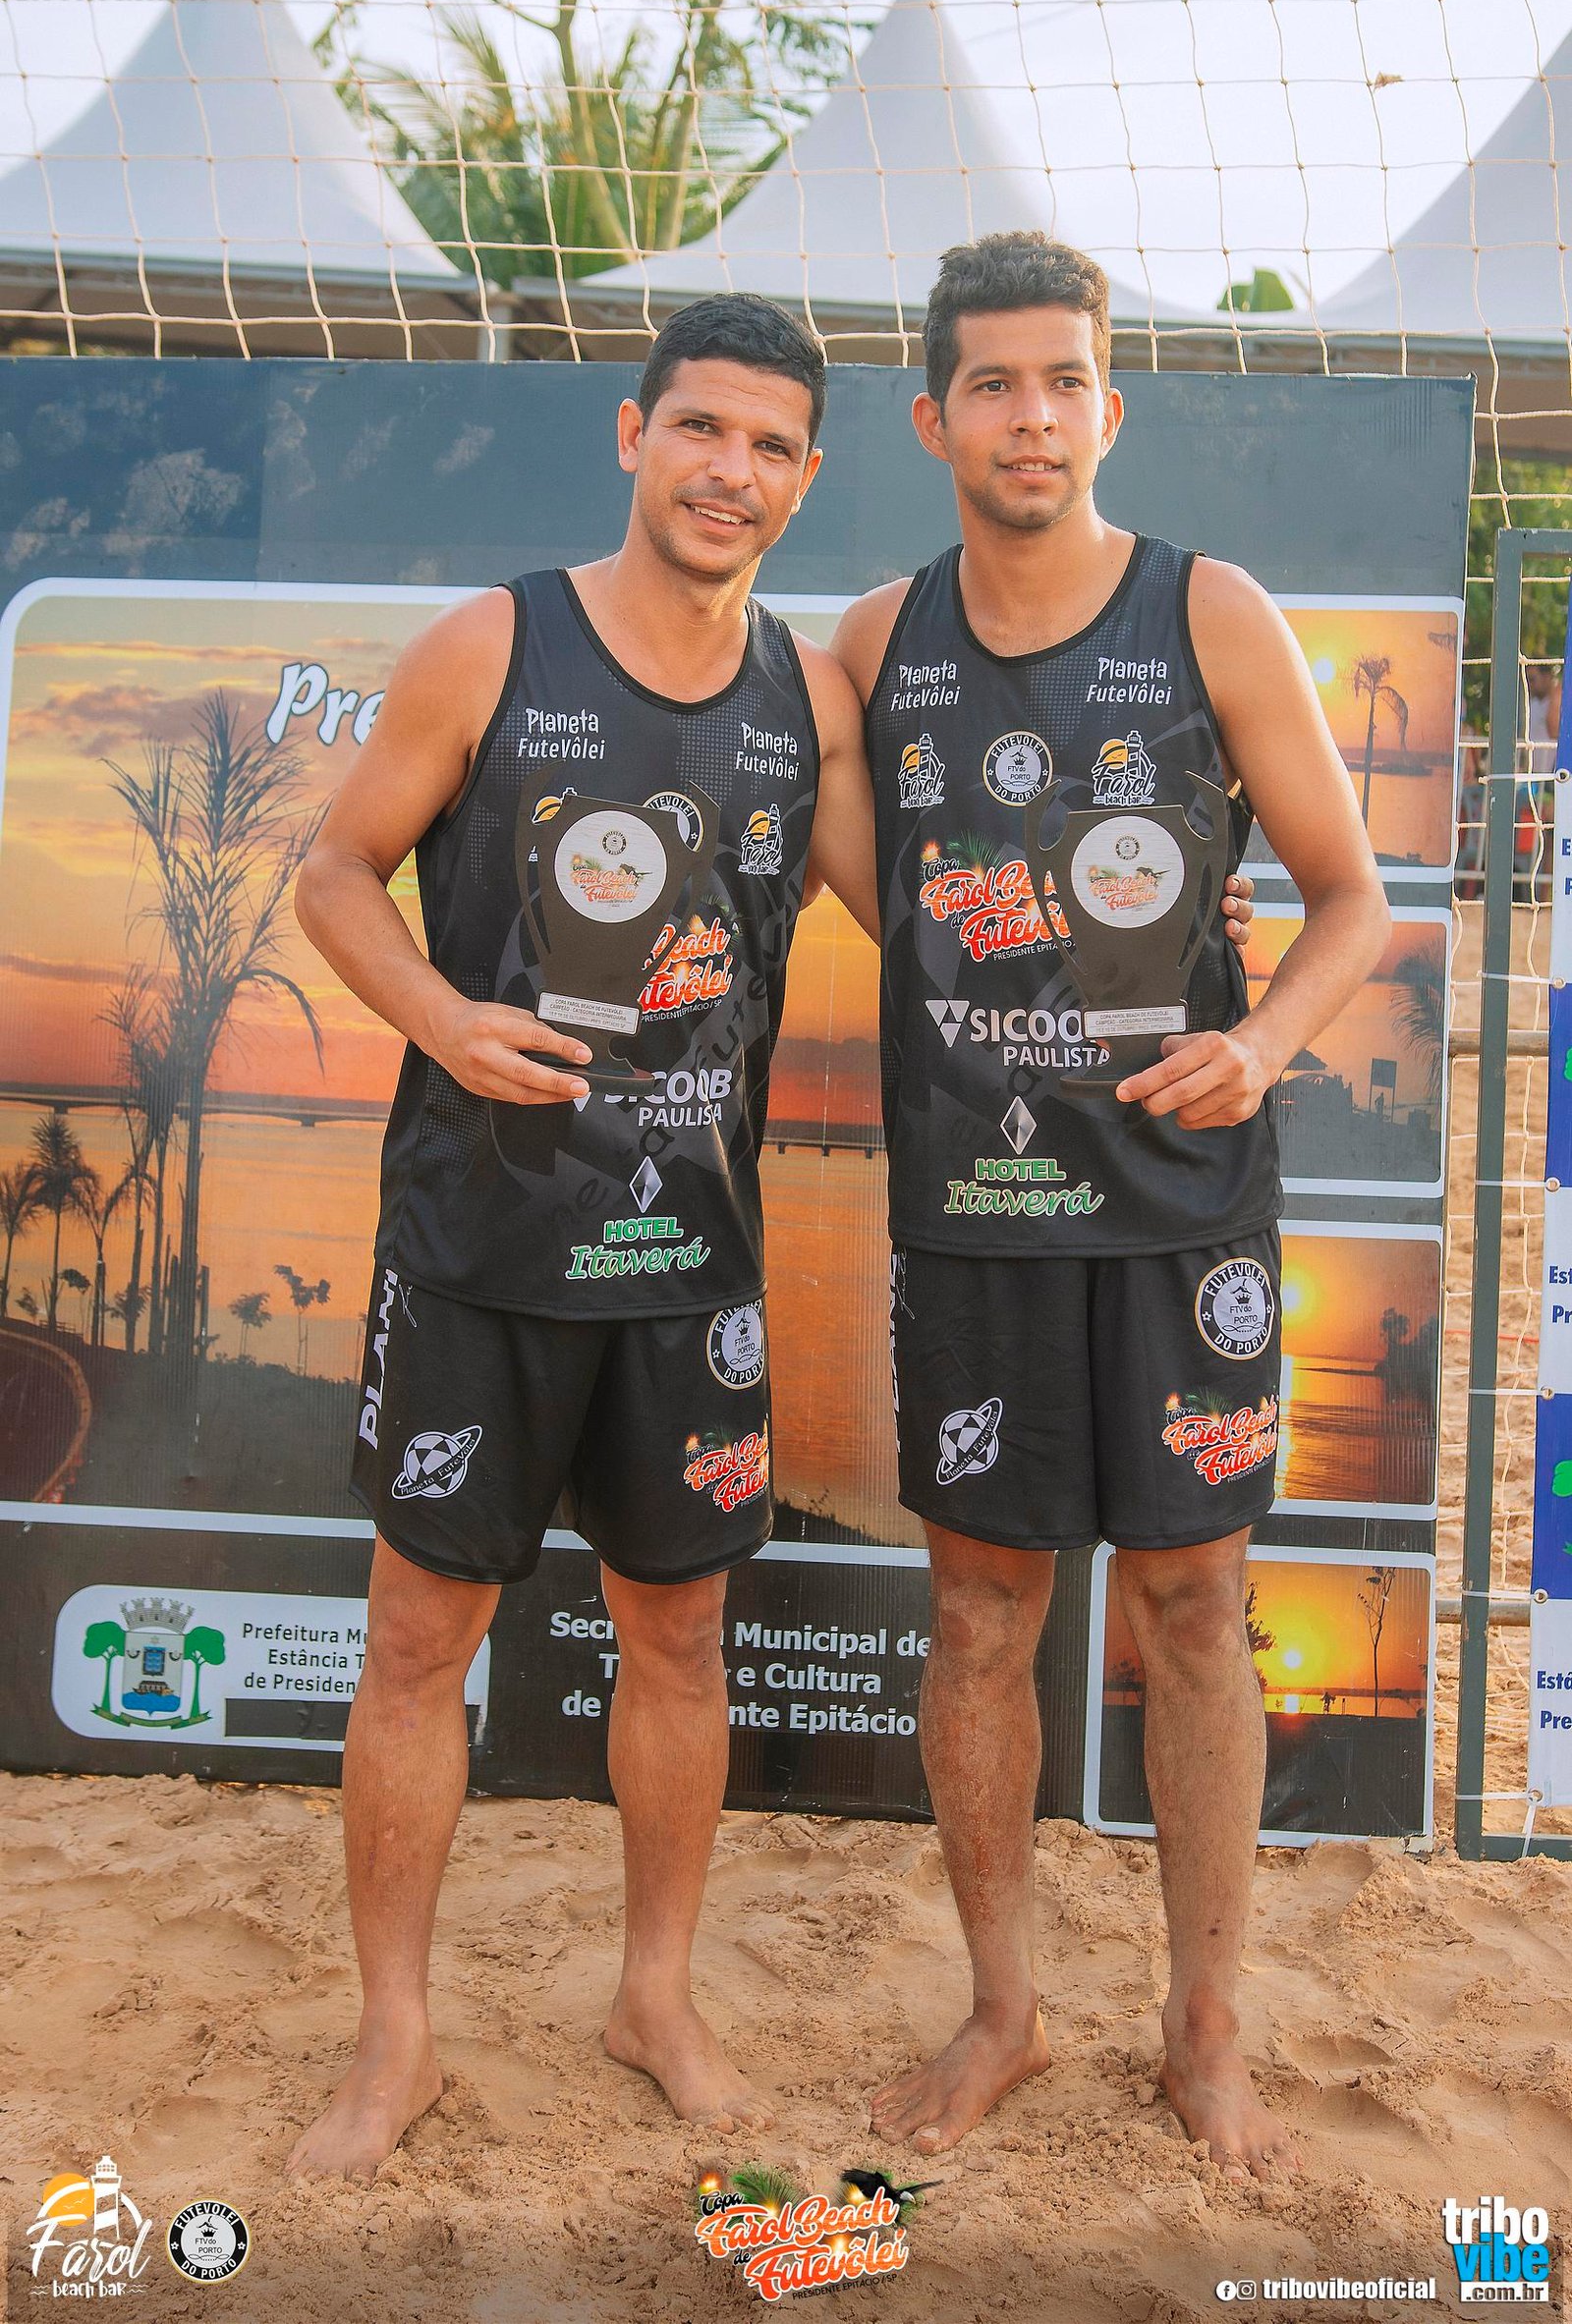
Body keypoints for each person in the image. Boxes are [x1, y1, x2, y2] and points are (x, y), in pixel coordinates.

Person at [287, 293, 878, 2179]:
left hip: (688, 1265)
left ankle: (655, 1998)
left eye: (771, 445)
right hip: (477, 1244)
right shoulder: (494, 643)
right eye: (701, 428)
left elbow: (935, 919)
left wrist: (1196, 957)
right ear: (634, 436)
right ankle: (396, 2041)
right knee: (416, 1641)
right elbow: (331, 873)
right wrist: (445, 1020)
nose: (731, 471)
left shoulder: (810, 699)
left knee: (680, 1635)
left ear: (806, 477)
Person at [829, 232, 1391, 2181]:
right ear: (931, 419)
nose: (1032, 416)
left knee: (1196, 1608)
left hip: (1180, 1211)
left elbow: (1351, 900)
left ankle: (1203, 2031)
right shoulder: (869, 646)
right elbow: (880, 899)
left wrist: (1260, 1043)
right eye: (992, 384)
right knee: (980, 1613)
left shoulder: (1208, 611)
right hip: (976, 1209)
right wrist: (998, 972)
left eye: (1063, 380)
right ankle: (1003, 2010)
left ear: (1109, 407)